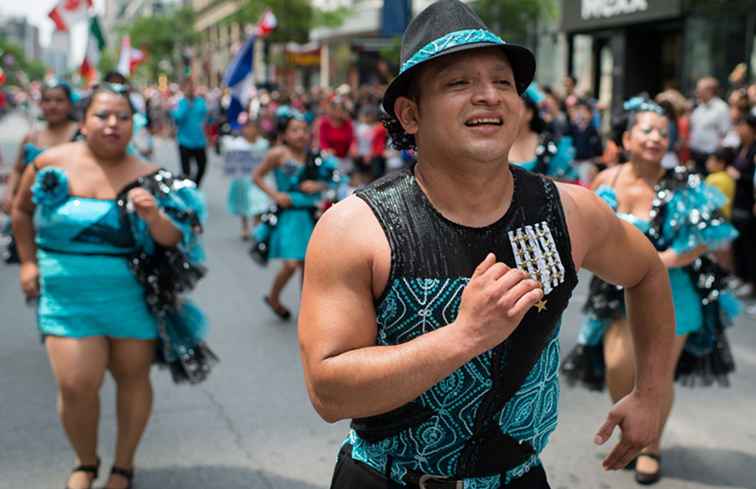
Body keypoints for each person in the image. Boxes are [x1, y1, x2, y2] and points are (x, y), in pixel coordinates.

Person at [298, 2, 678, 488]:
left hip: (520, 478)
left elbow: (647, 272)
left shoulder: (568, 210)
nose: (488, 97)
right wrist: (464, 336)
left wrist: (649, 394)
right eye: (458, 83)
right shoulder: (355, 228)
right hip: (386, 478)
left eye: (502, 82)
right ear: (410, 114)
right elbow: (329, 394)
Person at [11, 83, 212, 489]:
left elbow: (176, 239)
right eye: (102, 115)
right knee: (76, 384)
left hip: (130, 298)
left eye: (123, 116)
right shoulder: (50, 161)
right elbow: (20, 209)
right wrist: (28, 262)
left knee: (132, 377)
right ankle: (85, 462)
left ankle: (123, 465)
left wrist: (154, 216)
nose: (113, 124)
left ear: (133, 124)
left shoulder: (151, 175)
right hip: (67, 300)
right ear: (83, 121)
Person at [561, 99, 739, 485]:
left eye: (663, 132)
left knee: (656, 374)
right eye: (647, 130)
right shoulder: (605, 181)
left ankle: (651, 446)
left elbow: (706, 237)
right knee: (618, 368)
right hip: (614, 292)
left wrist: (662, 259)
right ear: (627, 138)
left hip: (674, 293)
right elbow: (586, 230)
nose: (656, 138)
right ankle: (634, 430)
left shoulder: (684, 182)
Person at [252, 114, 329, 321]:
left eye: (304, 130)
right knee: (291, 264)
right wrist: (276, 195)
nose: (300, 135)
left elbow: (332, 180)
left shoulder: (314, 156)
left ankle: (308, 308)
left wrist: (318, 186)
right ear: (284, 134)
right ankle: (274, 297)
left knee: (309, 265)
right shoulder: (278, 153)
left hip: (309, 214)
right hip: (288, 215)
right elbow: (256, 176)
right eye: (294, 130)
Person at [2, 78, 80, 263]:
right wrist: (10, 194)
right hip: (33, 216)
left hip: (69, 217)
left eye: (59, 100)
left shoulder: (82, 135)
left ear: (69, 104)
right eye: (47, 100)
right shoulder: (31, 137)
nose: (53, 106)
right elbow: (18, 170)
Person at [509, 85, 577, 181]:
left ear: (530, 113)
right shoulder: (494, 145)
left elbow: (566, 186)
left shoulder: (552, 146)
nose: (507, 112)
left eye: (514, 106)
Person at [222, 116, 270, 239]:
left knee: (259, 202)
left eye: (253, 128)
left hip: (257, 180)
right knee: (243, 204)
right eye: (248, 128)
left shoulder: (263, 144)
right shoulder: (236, 144)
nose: (251, 131)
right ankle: (244, 226)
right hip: (241, 181)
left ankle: (257, 225)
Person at [728, 114, 756, 299]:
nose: (739, 130)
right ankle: (742, 276)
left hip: (749, 203)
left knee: (751, 245)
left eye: (742, 126)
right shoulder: (740, 147)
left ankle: (752, 283)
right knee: (739, 242)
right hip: (738, 202)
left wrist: (738, 176)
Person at [171, 79, 209, 186]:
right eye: (188, 87)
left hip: (199, 141)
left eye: (192, 87)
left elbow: (206, 117)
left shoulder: (200, 102)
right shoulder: (181, 103)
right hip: (184, 141)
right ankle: (189, 191)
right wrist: (187, 105)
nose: (190, 89)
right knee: (186, 172)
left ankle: (195, 186)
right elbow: (177, 118)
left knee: (202, 166)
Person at [689, 77, 730, 175]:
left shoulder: (721, 108)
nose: (697, 92)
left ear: (710, 90)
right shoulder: (699, 108)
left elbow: (725, 133)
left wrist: (716, 157)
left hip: (711, 157)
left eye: (699, 89)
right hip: (696, 154)